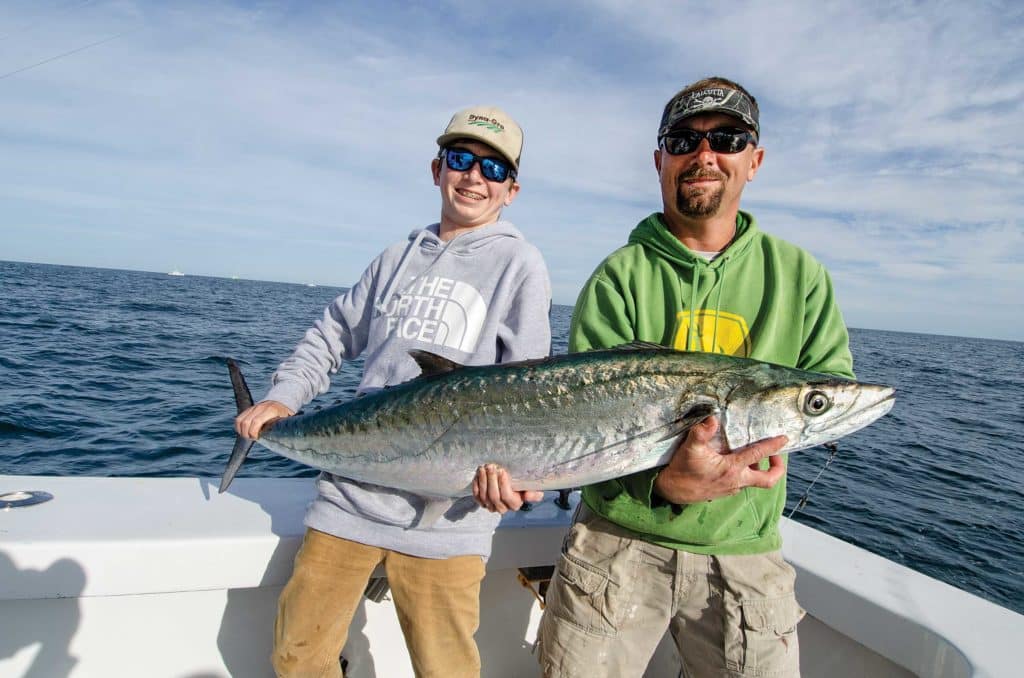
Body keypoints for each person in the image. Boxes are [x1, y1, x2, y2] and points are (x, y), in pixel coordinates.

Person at [532, 77, 855, 677]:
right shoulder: (619, 277)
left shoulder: (800, 276)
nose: (704, 154)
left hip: (745, 557)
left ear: (753, 160)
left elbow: (827, 391)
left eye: (727, 138)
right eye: (684, 139)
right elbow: (578, 423)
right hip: (615, 542)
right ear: (661, 159)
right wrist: (667, 486)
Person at [235, 105, 552, 678]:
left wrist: (518, 479)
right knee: (296, 656)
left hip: (453, 518)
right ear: (437, 169)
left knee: (446, 668)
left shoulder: (520, 263)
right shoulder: (394, 259)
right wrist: (285, 398)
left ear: (512, 190)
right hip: (350, 503)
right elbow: (333, 332)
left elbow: (528, 393)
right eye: (461, 159)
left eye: (493, 167)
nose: (474, 176)